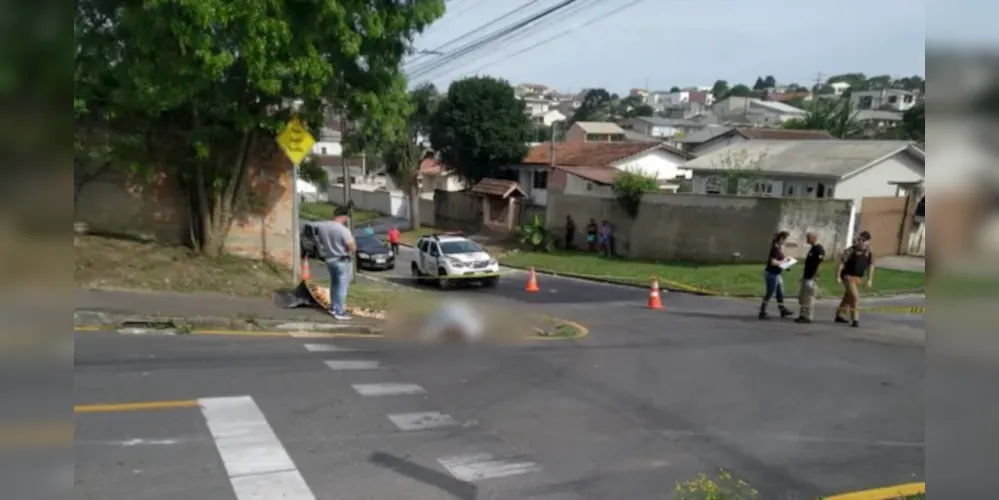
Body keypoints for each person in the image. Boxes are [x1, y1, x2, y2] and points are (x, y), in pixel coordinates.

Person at [313, 206, 357, 320]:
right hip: (341, 260)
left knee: (334, 284)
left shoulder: (323, 227)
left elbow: (318, 239)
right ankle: (339, 311)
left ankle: (333, 307)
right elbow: (352, 247)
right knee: (342, 287)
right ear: (344, 217)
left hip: (329, 259)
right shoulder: (343, 230)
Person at [835, 230, 875, 327]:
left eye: (863, 240)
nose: (860, 242)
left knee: (848, 297)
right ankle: (855, 319)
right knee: (855, 297)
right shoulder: (850, 250)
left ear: (868, 242)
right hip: (848, 276)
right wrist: (838, 276)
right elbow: (841, 263)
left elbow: (871, 266)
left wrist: (869, 280)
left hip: (858, 278)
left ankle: (839, 315)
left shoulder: (869, 253)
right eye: (859, 239)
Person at [759, 231, 794, 320]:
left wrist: (786, 264)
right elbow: (773, 262)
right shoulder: (775, 248)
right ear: (781, 239)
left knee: (780, 293)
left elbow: (779, 260)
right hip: (772, 274)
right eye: (785, 239)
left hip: (777, 274)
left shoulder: (778, 248)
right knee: (769, 293)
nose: (786, 241)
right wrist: (784, 261)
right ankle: (762, 312)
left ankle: (782, 310)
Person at [795, 232, 826, 324]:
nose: (807, 240)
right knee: (803, 297)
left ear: (814, 238)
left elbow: (819, 265)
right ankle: (802, 314)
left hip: (811, 278)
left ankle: (808, 316)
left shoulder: (819, 249)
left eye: (808, 238)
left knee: (809, 297)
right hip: (806, 276)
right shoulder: (812, 248)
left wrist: (814, 277)